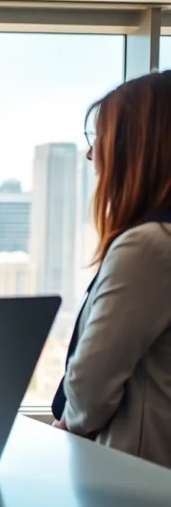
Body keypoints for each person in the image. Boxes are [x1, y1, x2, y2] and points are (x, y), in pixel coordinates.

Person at [51, 71, 171, 469]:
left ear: (135, 146)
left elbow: (88, 393)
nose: (91, 155)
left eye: (99, 137)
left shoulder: (148, 247)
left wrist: (64, 427)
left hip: (133, 481)